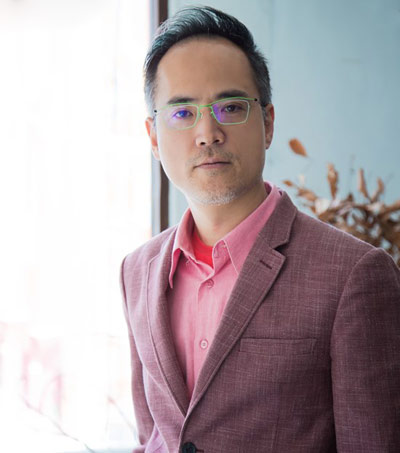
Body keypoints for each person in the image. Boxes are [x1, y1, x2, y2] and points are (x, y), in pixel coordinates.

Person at [120, 6, 400, 453]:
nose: (208, 133)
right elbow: (152, 437)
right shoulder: (136, 271)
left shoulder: (354, 275)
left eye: (231, 107)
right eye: (182, 113)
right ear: (154, 137)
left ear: (268, 123)